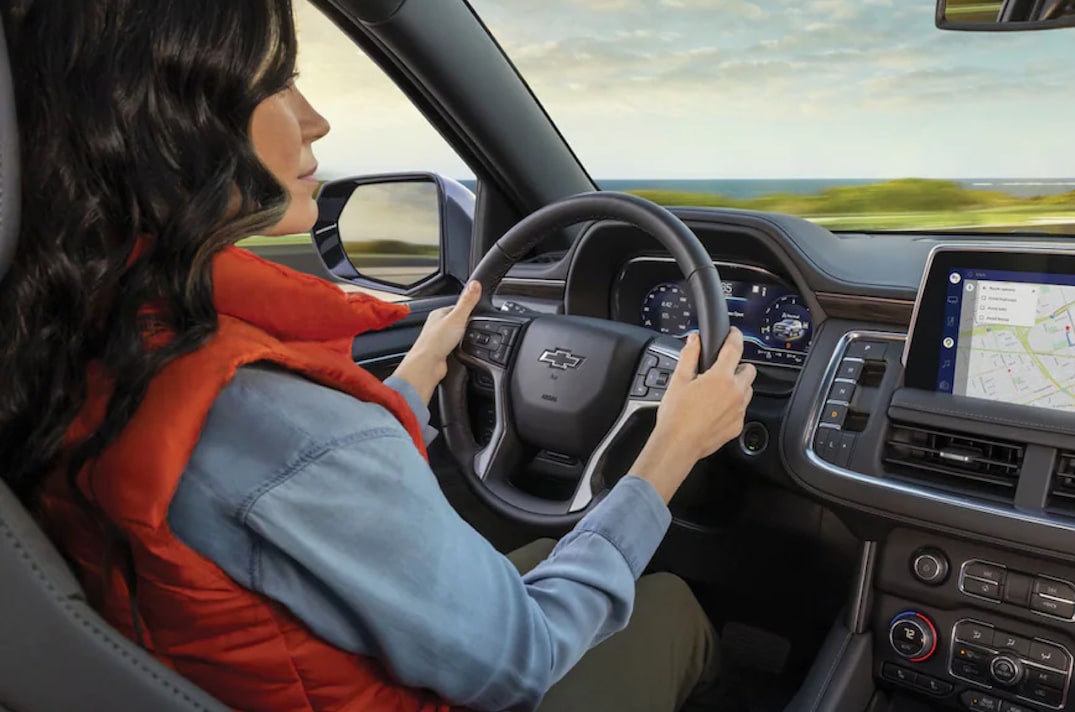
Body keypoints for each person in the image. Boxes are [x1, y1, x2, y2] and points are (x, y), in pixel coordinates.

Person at [0, 1, 757, 711]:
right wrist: (671, 452)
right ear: (166, 119)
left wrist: (419, 374)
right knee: (669, 605)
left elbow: (301, 484)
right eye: (275, 83)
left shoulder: (82, 336)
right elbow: (523, 656)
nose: (316, 120)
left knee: (540, 550)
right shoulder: (273, 420)